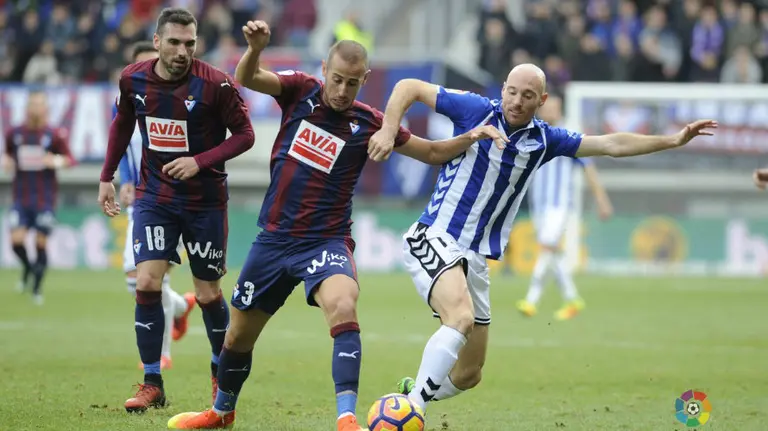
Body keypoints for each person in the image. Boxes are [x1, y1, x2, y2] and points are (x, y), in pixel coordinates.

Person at [166, 21, 507, 431]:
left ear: (364, 80)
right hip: (274, 238)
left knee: (343, 306)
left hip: (325, 241)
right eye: (338, 80)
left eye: (352, 83)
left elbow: (432, 152)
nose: (343, 91)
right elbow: (247, 77)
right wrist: (255, 49)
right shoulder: (299, 90)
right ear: (325, 69)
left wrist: (472, 136)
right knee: (237, 338)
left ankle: (346, 418)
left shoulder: (369, 123)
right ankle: (221, 412)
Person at [367, 63, 717, 422]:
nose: (517, 101)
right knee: (459, 317)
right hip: (436, 234)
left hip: (475, 257)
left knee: (469, 374)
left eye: (528, 96)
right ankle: (412, 411)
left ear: (542, 100)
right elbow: (408, 86)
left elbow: (611, 143)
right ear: (502, 89)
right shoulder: (474, 109)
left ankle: (412, 393)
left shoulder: (545, 140)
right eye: (512, 92)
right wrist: (388, 129)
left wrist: (672, 140)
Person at [97, 7, 255, 413]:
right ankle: (152, 382)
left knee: (207, 293)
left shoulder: (216, 84)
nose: (183, 51)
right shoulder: (133, 79)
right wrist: (106, 175)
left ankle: (220, 375)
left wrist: (199, 161)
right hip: (155, 198)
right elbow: (122, 124)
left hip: (204, 202)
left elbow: (245, 135)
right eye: (174, 42)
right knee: (147, 282)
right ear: (156, 42)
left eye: (190, 43)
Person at [115, 41, 197, 371]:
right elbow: (120, 143)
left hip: (174, 200)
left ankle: (162, 354)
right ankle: (179, 307)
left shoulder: (181, 101)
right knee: (135, 279)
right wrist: (123, 179)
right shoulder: (124, 101)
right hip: (141, 201)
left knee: (152, 278)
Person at [516, 94, 614, 320]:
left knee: (547, 248)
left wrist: (602, 200)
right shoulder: (532, 135)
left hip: (558, 205)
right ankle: (572, 299)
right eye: (546, 108)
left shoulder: (568, 137)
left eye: (554, 108)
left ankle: (531, 300)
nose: (549, 111)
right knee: (554, 253)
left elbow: (588, 167)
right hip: (538, 205)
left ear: (560, 111)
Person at [3, 91, 74, 305]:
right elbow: (7, 153)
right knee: (16, 241)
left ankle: (36, 288)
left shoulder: (54, 135)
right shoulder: (14, 134)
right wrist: (6, 161)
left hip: (45, 200)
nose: (35, 108)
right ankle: (28, 268)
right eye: (32, 104)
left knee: (40, 242)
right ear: (27, 108)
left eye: (39, 104)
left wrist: (57, 161)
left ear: (46, 109)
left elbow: (71, 159)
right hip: (21, 199)